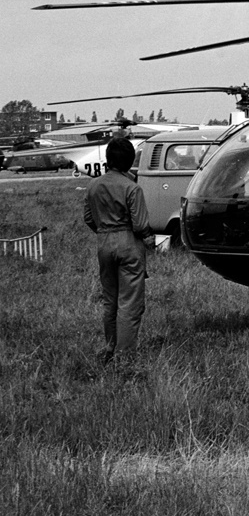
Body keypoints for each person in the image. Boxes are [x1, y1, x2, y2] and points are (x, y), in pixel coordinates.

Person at [83, 137, 153, 363]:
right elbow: (141, 225)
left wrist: (104, 230)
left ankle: (110, 348)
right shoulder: (132, 188)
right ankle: (125, 356)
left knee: (109, 300)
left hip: (103, 242)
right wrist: (148, 238)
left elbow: (87, 218)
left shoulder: (93, 185)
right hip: (128, 242)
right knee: (130, 303)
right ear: (130, 161)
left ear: (108, 159)